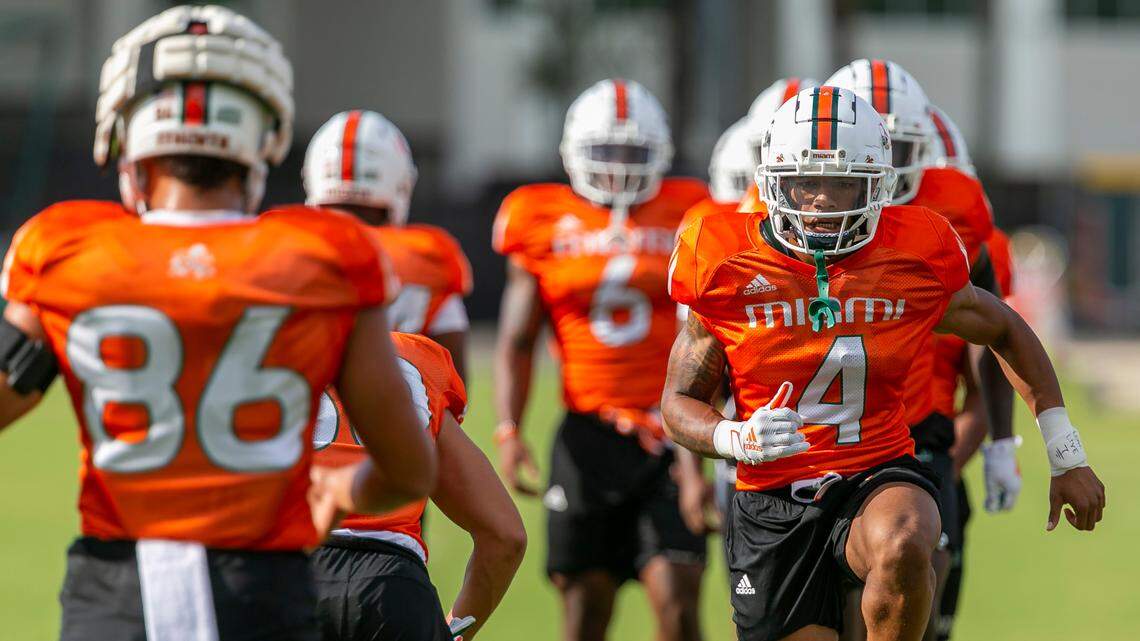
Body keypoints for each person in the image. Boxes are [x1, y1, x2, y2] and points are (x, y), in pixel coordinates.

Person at [0, 6, 435, 640]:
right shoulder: (322, 259)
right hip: (258, 592)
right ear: (262, 141)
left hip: (118, 596)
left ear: (128, 144)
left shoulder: (69, 252)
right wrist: (339, 492)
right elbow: (407, 469)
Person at [662, 86, 1105, 641]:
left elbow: (1006, 330)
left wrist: (1066, 453)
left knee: (905, 537)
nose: (822, 200)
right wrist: (735, 438)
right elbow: (677, 404)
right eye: (806, 182)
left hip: (876, 470)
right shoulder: (722, 259)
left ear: (879, 187)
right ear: (773, 183)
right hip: (770, 497)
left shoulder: (914, 253)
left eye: (844, 182)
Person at [492, 78, 709, 641]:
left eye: (633, 154)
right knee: (585, 614)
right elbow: (517, 339)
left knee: (680, 605)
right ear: (572, 155)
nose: (617, 168)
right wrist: (509, 427)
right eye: (603, 153)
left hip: (670, 432)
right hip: (587, 433)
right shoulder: (538, 216)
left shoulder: (691, 209)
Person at [824, 61, 1009, 641]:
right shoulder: (790, 208)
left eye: (902, 147)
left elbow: (995, 335)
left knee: (914, 592)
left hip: (916, 429)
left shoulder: (952, 209)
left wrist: (1000, 442)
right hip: (809, 439)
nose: (891, 165)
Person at [310, 333, 526, 641]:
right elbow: (506, 536)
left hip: (285, 578)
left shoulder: (257, 342)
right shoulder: (418, 361)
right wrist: (453, 631)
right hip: (393, 593)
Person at [303, 110, 473, 379]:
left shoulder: (284, 243)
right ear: (399, 181)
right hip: (398, 414)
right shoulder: (427, 255)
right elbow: (454, 382)